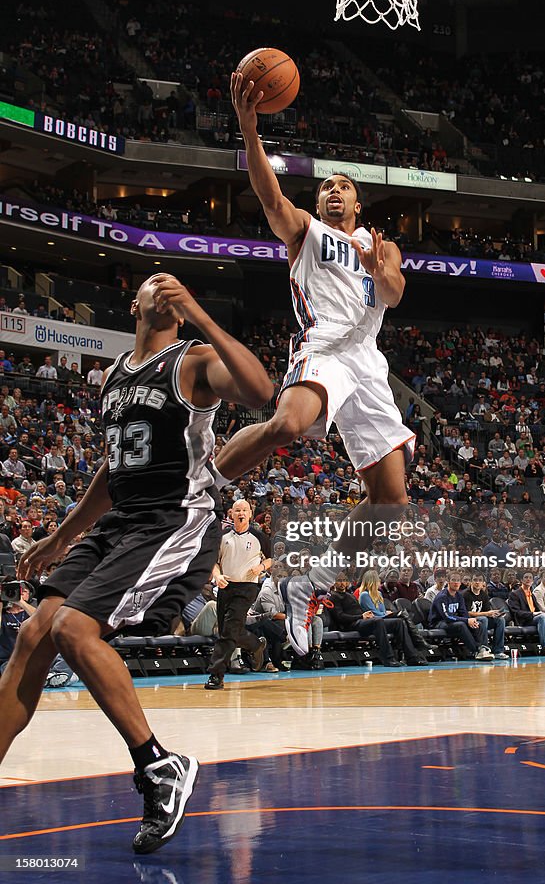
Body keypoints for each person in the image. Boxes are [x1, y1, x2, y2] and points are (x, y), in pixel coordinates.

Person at [0, 273, 272, 854]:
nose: (165, 283)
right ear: (135, 303)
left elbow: (259, 391)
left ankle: (158, 766)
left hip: (174, 520)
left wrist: (199, 313)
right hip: (121, 520)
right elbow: (111, 472)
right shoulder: (117, 374)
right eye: (154, 280)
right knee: (33, 635)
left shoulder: (193, 359)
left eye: (174, 282)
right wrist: (60, 537)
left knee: (74, 627)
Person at [217, 71, 415, 656]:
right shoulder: (305, 231)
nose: (332, 191)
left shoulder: (380, 245)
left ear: (359, 202)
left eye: (343, 186)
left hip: (368, 362)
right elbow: (268, 196)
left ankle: (312, 585)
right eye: (326, 185)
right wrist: (250, 132)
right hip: (323, 347)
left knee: (391, 504)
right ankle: (205, 481)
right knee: (289, 424)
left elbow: (397, 292)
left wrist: (382, 275)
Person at [204, 499, 271, 690]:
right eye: (237, 510)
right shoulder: (223, 536)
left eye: (244, 510)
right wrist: (217, 575)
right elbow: (214, 562)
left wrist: (261, 566)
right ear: (231, 514)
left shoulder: (259, 536)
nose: (241, 513)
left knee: (228, 631)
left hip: (247, 587)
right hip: (226, 587)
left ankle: (216, 674)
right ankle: (256, 645)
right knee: (229, 631)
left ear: (250, 513)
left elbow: (272, 559)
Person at [428, 571, 494, 660]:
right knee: (461, 625)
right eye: (453, 580)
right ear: (448, 581)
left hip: (453, 621)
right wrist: (466, 620)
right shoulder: (442, 597)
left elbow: (463, 612)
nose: (456, 582)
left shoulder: (459, 595)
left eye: (458, 580)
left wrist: (470, 621)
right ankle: (477, 650)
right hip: (439, 622)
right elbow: (447, 617)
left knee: (478, 623)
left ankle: (484, 649)